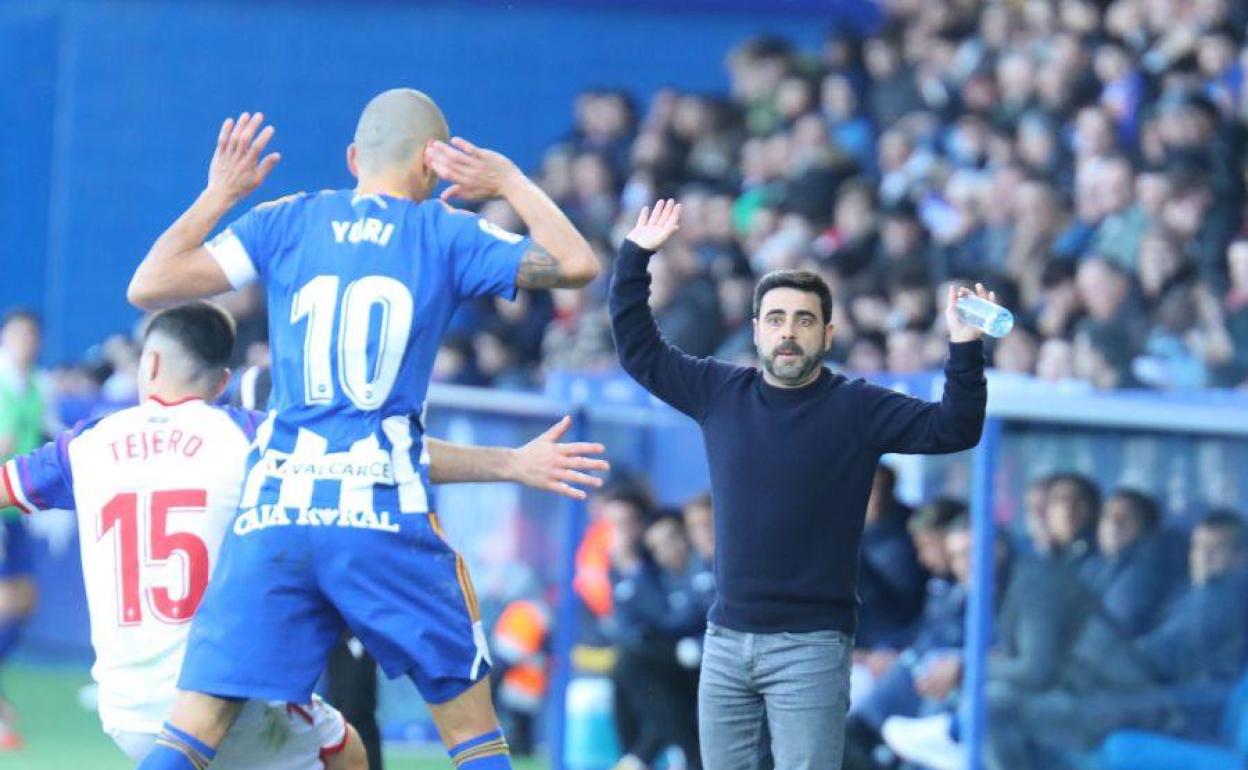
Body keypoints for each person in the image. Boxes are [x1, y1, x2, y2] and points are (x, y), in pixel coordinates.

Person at [126, 90, 599, 770]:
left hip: (278, 513)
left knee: (194, 729)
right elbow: (576, 262)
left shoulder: (286, 219)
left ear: (353, 158)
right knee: (472, 734)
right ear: (434, 172)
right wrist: (510, 182)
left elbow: (151, 283)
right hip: (381, 515)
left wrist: (218, 192)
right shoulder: (444, 232)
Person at [0, 302, 608, 766]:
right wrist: (509, 463)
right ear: (219, 383)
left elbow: (9, 486)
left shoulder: (88, 443)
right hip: (223, 695)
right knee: (345, 751)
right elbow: (380, 456)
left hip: (124, 708)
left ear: (149, 363)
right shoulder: (246, 434)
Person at [609, 199, 989, 770]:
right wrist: (635, 258)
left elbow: (954, 427)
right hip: (727, 640)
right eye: (778, 319)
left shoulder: (856, 407)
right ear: (757, 329)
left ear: (828, 333)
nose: (789, 333)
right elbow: (639, 350)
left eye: (805, 320)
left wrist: (963, 346)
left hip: (812, 647)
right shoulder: (719, 391)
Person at [0, 310, 46, 749]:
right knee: (8, 600)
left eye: (32, 335)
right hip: (0, 506)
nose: (25, 341)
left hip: (18, 509)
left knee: (24, 600)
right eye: (18, 333)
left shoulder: (35, 384)